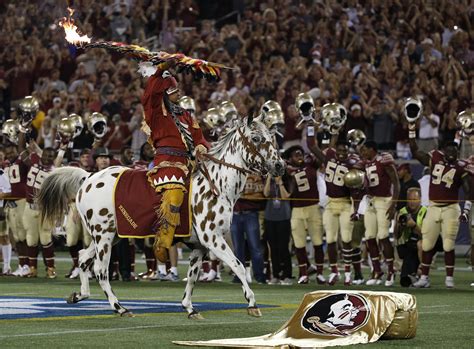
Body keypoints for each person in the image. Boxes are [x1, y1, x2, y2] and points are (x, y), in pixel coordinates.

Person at [141, 65, 208, 263]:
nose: (178, 93)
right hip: (166, 162)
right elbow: (149, 95)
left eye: (177, 89)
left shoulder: (186, 115)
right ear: (164, 93)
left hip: (189, 162)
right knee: (175, 191)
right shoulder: (155, 112)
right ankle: (162, 239)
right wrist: (159, 72)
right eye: (173, 90)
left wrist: (201, 148)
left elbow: (199, 137)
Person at [409, 126, 472, 288]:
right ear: (443, 150)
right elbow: (415, 152)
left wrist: (466, 211)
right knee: (427, 244)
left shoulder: (461, 166)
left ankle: (449, 278)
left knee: (448, 244)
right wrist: (411, 130)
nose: (453, 153)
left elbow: (469, 190)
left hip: (451, 208)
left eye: (455, 150)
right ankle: (424, 277)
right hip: (433, 207)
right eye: (449, 149)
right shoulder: (435, 158)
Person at [308, 136, 363, 286]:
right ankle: (334, 271)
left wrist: (356, 209)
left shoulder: (353, 163)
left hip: (345, 203)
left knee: (346, 239)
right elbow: (312, 145)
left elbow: (357, 190)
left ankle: (347, 273)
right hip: (331, 203)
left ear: (348, 151)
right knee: (331, 240)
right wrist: (310, 126)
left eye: (344, 150)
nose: (341, 153)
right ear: (335, 150)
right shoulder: (329, 158)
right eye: (339, 150)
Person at [360, 141, 400, 286]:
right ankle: (377, 270)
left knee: (383, 236)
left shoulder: (384, 160)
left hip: (384, 201)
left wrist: (393, 203)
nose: (363, 152)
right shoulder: (364, 162)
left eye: (365, 149)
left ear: (372, 149)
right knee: (370, 237)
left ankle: (391, 270)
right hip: (370, 201)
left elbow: (396, 182)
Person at [285, 145, 325, 285]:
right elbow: (288, 191)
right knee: (299, 243)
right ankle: (304, 273)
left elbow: (322, 158)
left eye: (301, 153)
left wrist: (313, 145)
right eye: (296, 154)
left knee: (317, 241)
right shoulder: (287, 169)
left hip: (313, 206)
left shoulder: (311, 165)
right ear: (290, 158)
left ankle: (320, 273)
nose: (299, 156)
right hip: (297, 208)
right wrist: (289, 177)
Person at [263, 174, 292, 285]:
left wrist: (280, 183)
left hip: (283, 217)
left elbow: (285, 196)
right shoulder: (269, 181)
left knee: (283, 247)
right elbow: (265, 194)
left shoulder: (288, 179)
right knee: (273, 247)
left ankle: (287, 275)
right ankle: (275, 275)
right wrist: (269, 178)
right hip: (270, 217)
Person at [394, 188, 427, 287]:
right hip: (407, 246)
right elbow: (396, 236)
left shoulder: (425, 212)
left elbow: (427, 236)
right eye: (410, 199)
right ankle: (412, 274)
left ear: (420, 199)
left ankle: (423, 274)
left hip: (422, 245)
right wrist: (399, 225)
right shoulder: (402, 211)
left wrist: (413, 226)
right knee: (404, 280)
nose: (412, 202)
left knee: (418, 245)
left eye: (415, 199)